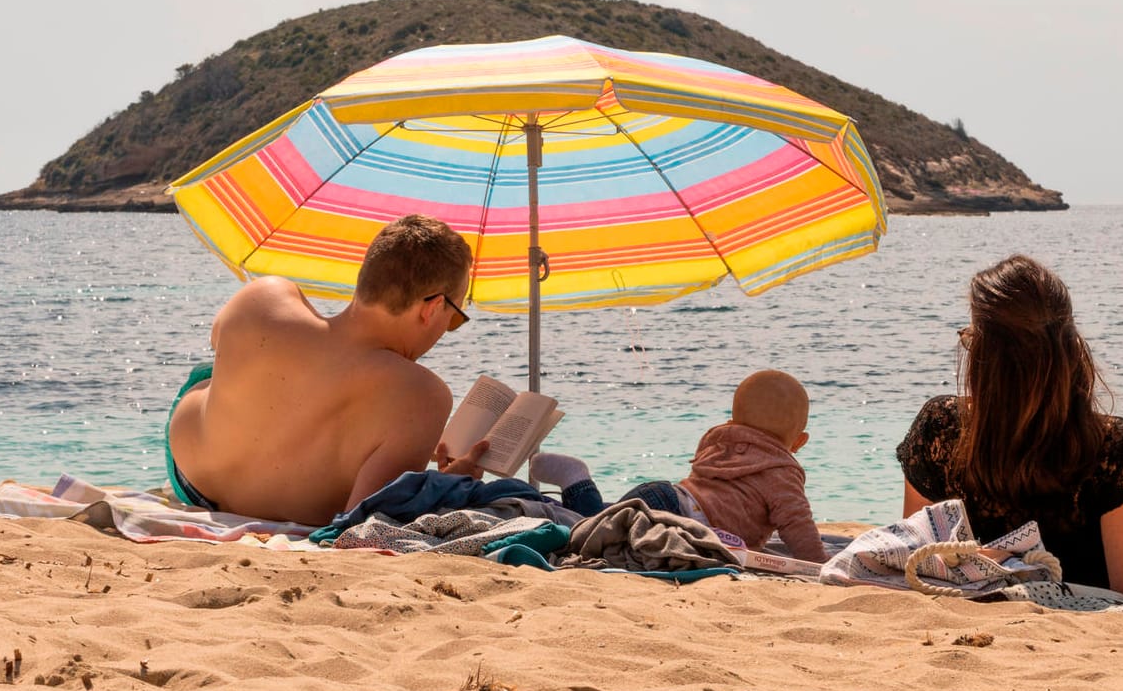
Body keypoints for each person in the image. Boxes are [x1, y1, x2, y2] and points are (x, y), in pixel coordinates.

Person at [895, 254, 1123, 597]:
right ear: (1068, 349)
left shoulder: (939, 427)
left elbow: (918, 553)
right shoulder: (1115, 444)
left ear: (983, 352)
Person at [165, 214, 488, 526]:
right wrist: (446, 484)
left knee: (218, 370)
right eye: (454, 318)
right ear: (431, 308)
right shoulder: (425, 393)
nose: (449, 327)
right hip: (295, 513)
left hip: (190, 477)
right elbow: (367, 516)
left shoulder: (263, 296)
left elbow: (221, 342)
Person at [530, 369, 829, 564]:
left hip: (668, 495)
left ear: (733, 421)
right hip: (679, 517)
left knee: (603, 524)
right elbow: (796, 522)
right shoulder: (782, 468)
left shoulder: (720, 437)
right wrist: (818, 562)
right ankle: (577, 482)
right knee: (596, 531)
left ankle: (570, 491)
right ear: (800, 441)